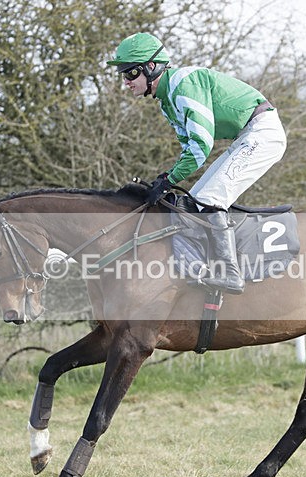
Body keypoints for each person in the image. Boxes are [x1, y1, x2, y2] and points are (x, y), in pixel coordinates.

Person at [108, 33, 287, 295]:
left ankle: (230, 273)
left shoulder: (183, 85)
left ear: (152, 67)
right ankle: (202, 268)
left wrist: (170, 179)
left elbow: (201, 146)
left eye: (131, 73)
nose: (126, 81)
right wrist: (167, 176)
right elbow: (188, 147)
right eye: (123, 75)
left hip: (263, 131)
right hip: (247, 135)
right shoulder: (167, 102)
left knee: (211, 197)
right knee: (194, 200)